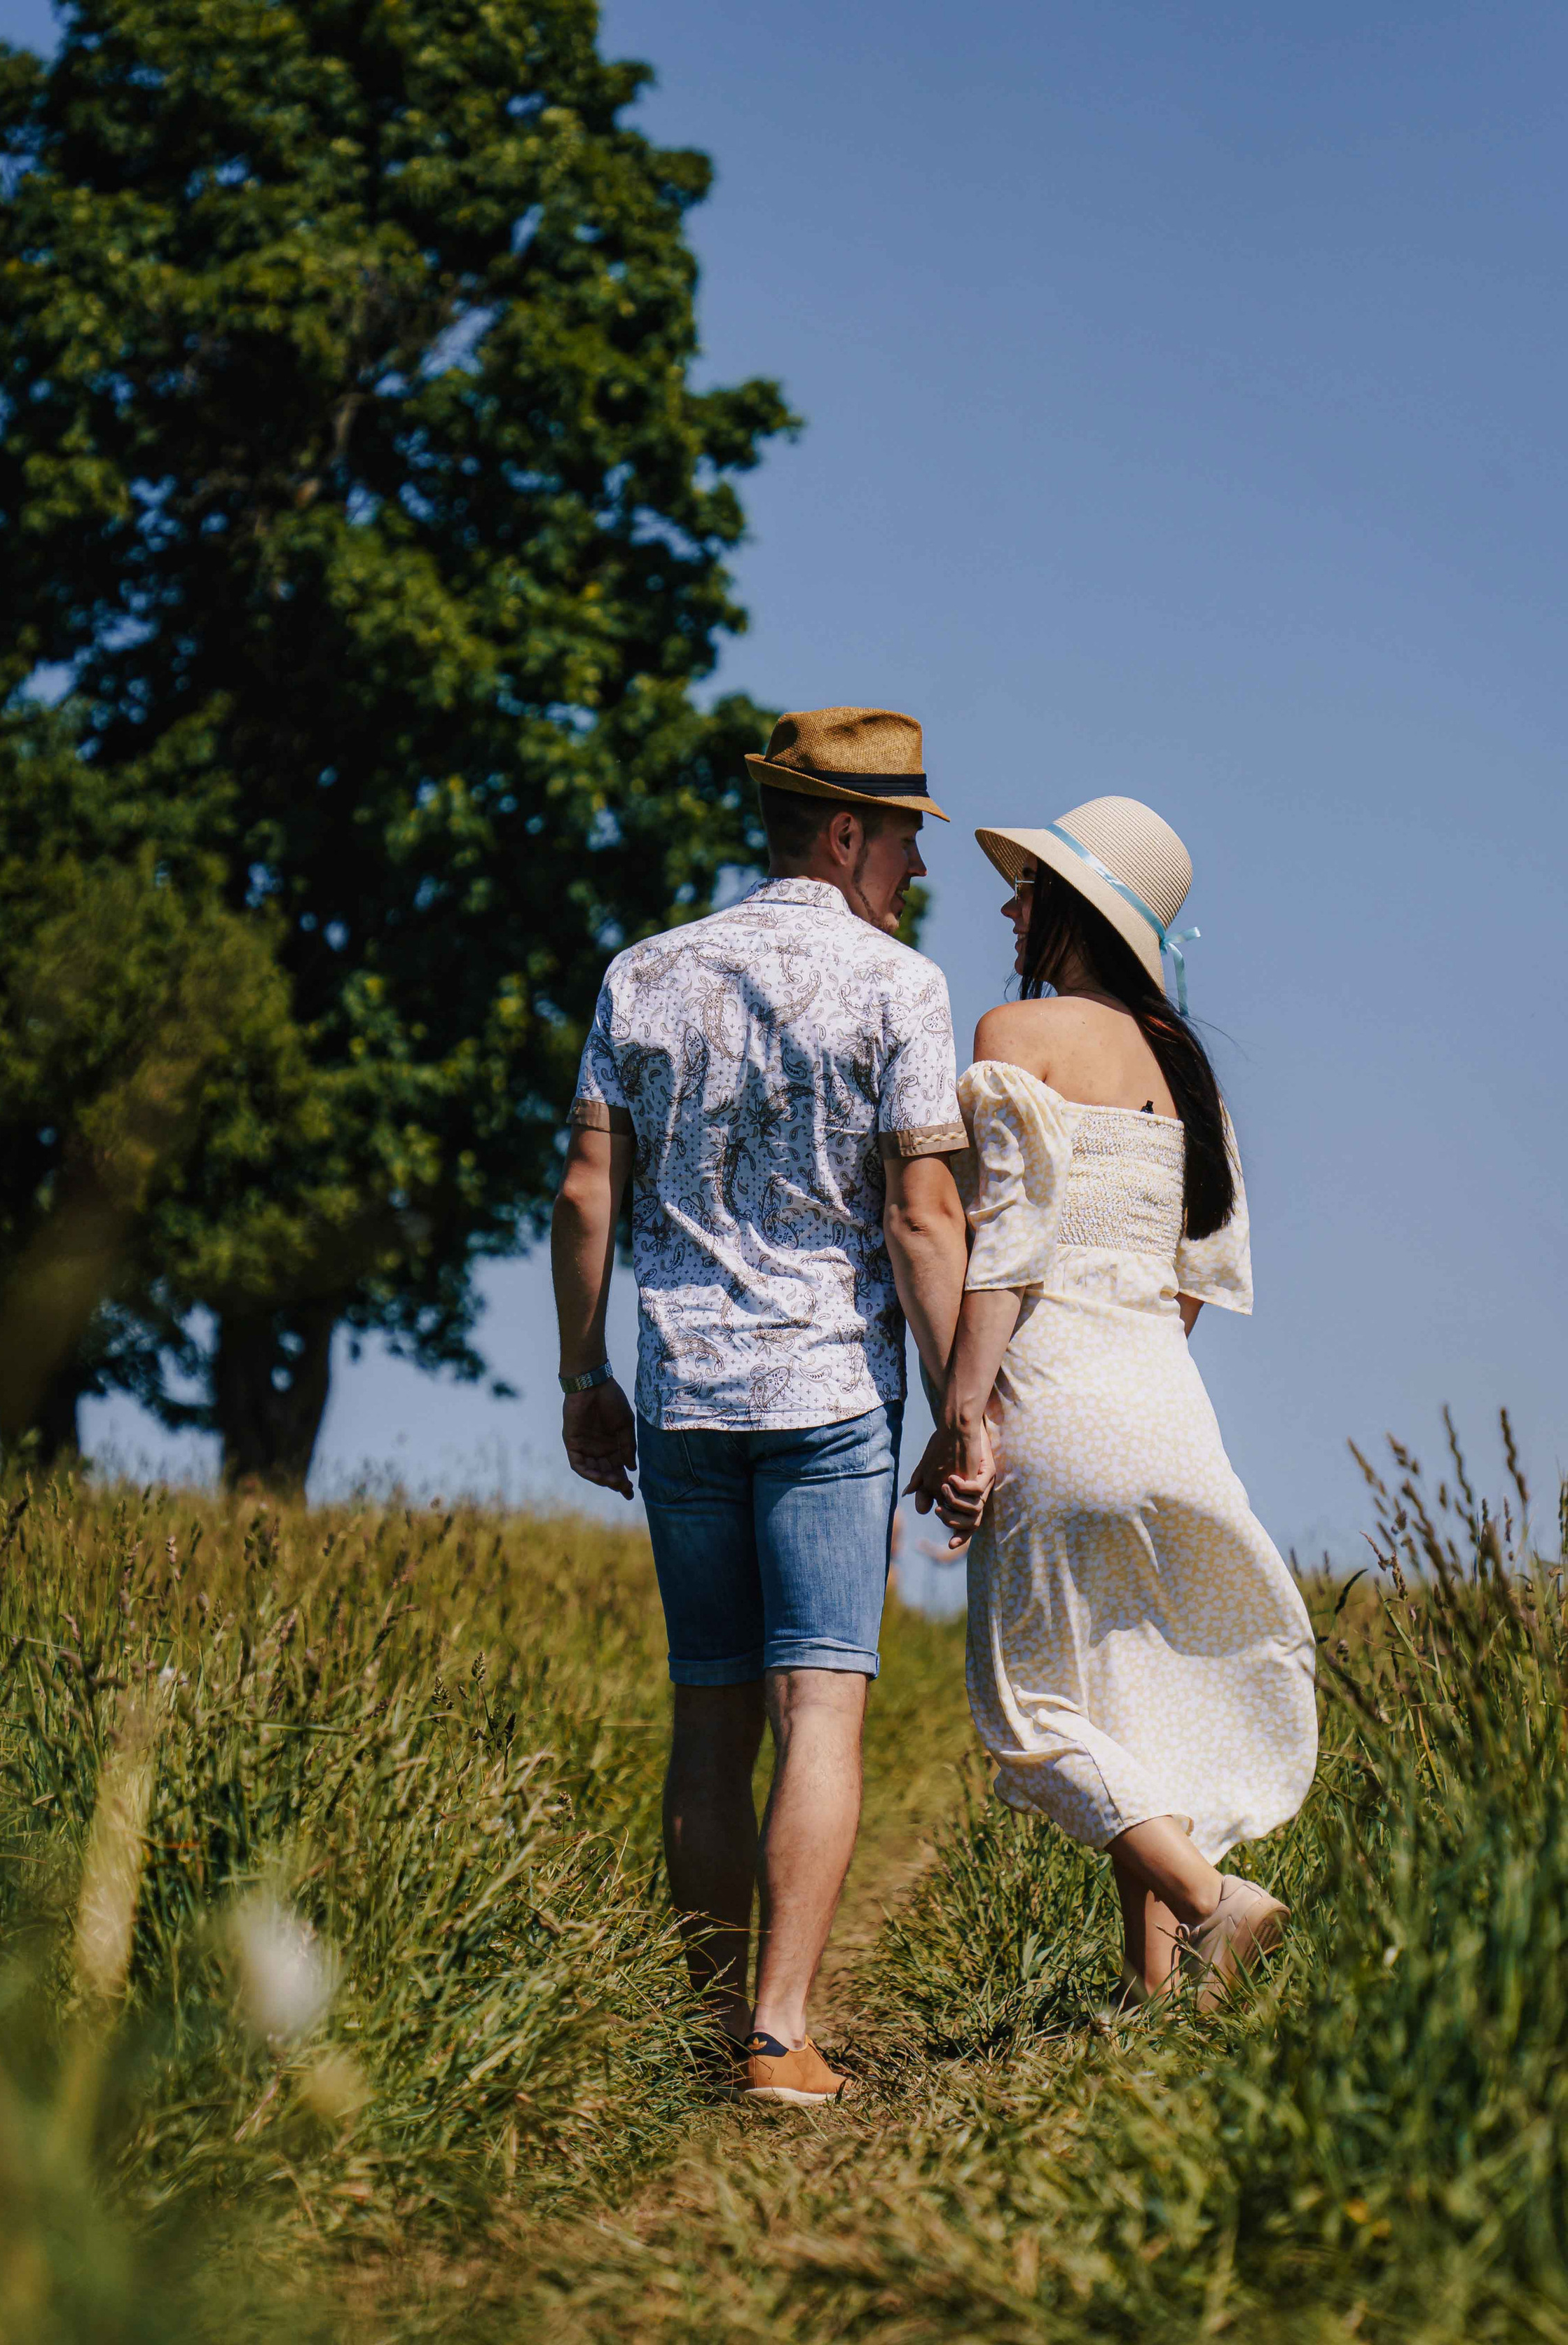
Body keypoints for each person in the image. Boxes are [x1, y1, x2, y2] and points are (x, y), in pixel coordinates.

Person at [551, 706, 986, 2103]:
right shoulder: (894, 986)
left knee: (707, 1718)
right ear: (845, 833)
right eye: (906, 840)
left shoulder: (642, 973)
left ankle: (701, 2025)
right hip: (823, 1398)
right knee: (819, 1712)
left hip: (680, 1396)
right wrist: (956, 1414)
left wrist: (583, 1374)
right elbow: (923, 1216)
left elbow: (581, 1191)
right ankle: (778, 2033)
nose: (914, 872)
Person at [910, 796, 1317, 2008]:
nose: (1007, 905)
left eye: (1028, 889)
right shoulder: (1189, 1076)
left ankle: (1215, 1904)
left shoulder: (1013, 1030)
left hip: (1057, 1401)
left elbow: (1008, 1250)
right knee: (1134, 1710)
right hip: (1168, 1407)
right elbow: (1201, 1280)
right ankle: (1151, 2003)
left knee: (1031, 1713)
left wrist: (965, 1412)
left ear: (1074, 912)